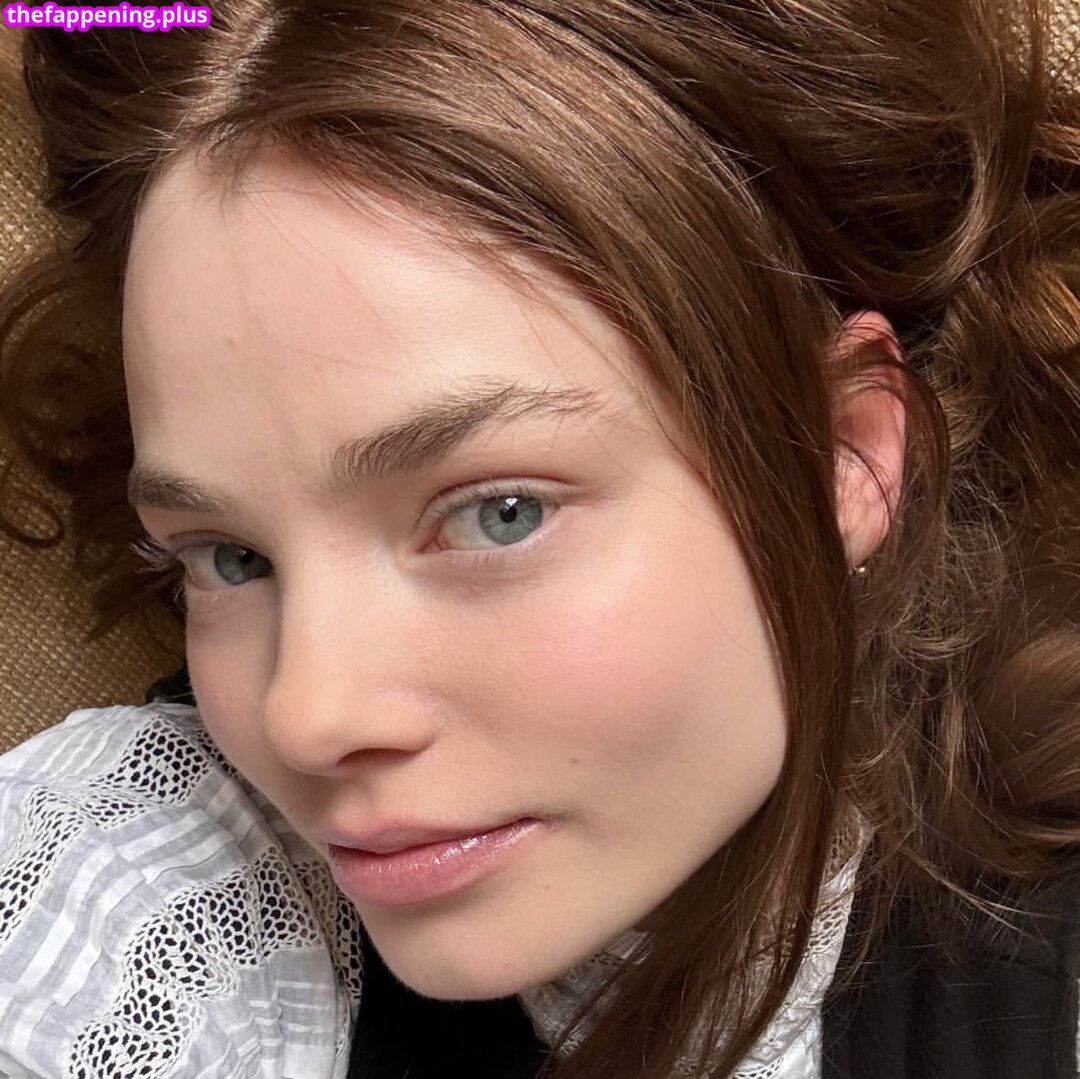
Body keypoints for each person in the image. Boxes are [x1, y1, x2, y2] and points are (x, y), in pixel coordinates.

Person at [0, 1, 1078, 1076]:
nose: (307, 716)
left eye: (496, 513)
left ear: (842, 454)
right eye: (229, 557)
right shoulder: (143, 907)